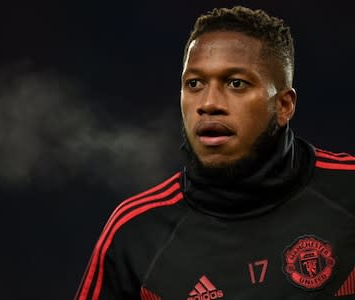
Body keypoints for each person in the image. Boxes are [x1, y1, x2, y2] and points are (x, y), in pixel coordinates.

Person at [75, 6, 355, 299]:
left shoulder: (348, 193)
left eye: (236, 83)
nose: (208, 103)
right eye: (194, 84)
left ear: (284, 106)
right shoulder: (134, 233)